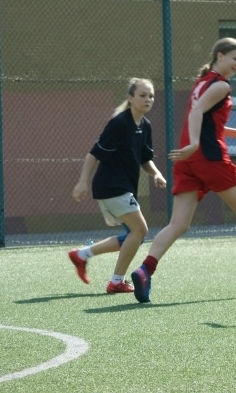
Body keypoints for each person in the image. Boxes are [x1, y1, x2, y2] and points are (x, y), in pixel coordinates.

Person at [130, 37, 236, 303]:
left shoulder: (202, 82)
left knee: (178, 224)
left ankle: (145, 270)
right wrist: (194, 144)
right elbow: (196, 114)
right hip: (209, 157)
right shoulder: (221, 85)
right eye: (235, 58)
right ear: (220, 56)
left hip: (188, 160)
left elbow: (206, 121)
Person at [69, 78, 167, 294]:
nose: (148, 99)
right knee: (140, 230)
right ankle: (116, 282)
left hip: (124, 187)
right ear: (131, 98)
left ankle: (82, 255)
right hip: (111, 185)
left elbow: (145, 159)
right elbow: (94, 154)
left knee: (133, 236)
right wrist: (83, 182)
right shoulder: (119, 123)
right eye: (142, 95)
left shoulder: (146, 125)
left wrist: (157, 173)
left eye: (151, 96)